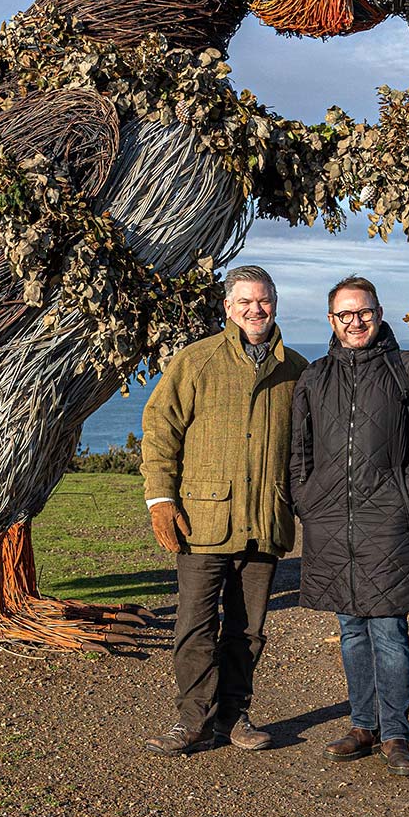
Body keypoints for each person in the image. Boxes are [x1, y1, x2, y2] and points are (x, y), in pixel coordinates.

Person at [140, 265, 307, 755]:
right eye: (244, 302)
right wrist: (160, 500)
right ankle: (192, 720)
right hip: (201, 521)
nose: (255, 310)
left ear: (275, 302)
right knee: (194, 624)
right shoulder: (197, 361)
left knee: (249, 630)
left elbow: (308, 447)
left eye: (263, 301)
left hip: (266, 520)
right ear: (228, 307)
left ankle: (234, 716)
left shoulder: (297, 369)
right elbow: (160, 428)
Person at [288, 275, 409, 775]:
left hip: (389, 521)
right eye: (344, 314)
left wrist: (408, 495)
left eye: (363, 312)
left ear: (379, 313)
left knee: (388, 631)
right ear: (331, 320)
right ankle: (363, 726)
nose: (355, 321)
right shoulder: (313, 378)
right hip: (329, 519)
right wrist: (306, 500)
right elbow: (299, 451)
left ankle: (396, 734)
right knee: (351, 630)